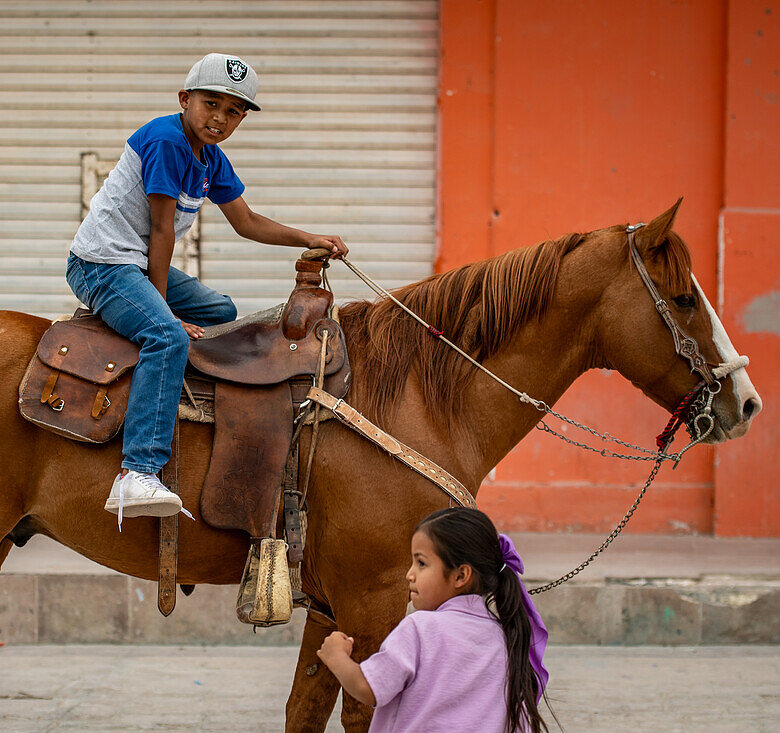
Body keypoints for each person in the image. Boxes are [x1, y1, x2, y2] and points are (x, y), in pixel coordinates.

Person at [66, 52, 349, 525]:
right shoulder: (165, 141)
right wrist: (164, 314)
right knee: (167, 336)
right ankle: (137, 470)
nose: (219, 117)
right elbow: (161, 232)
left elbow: (247, 221)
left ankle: (179, 404)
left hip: (136, 263)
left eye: (233, 111)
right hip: (104, 264)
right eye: (210, 103)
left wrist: (309, 238)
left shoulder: (211, 158)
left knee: (220, 310)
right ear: (185, 99)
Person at [317, 507, 551, 732]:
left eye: (421, 563)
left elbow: (367, 688)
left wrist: (336, 656)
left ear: (460, 575)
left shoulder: (419, 628)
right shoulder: (503, 636)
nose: (409, 574)